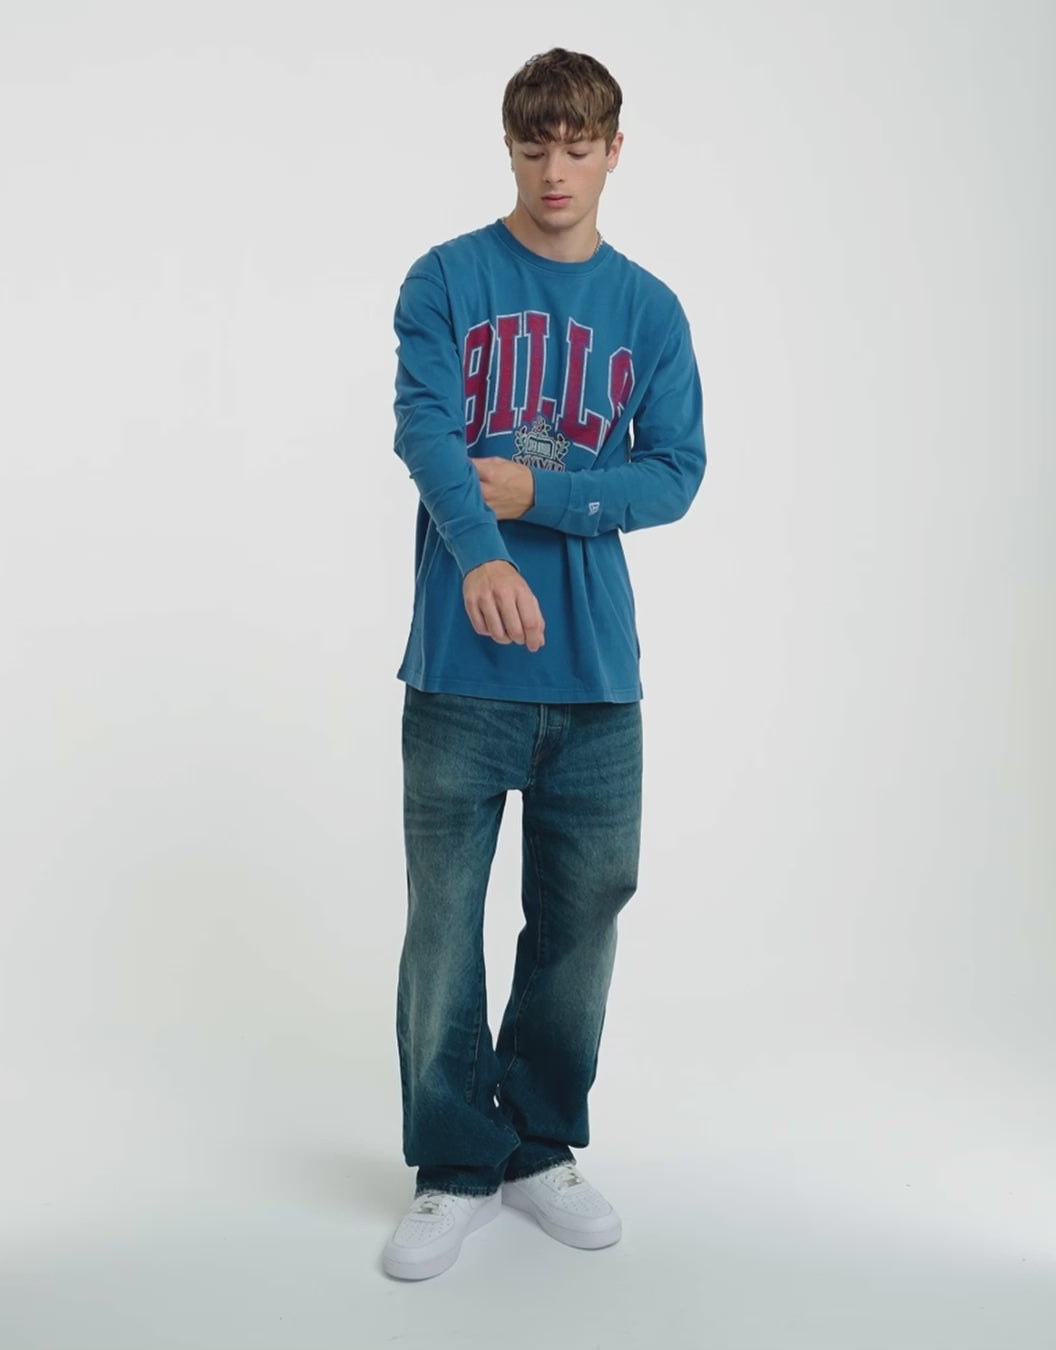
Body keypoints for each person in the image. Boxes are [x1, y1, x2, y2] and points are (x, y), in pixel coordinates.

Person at [381, 47, 707, 1281]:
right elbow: (424, 426)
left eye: (578, 146)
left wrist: (544, 495)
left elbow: (675, 472)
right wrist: (479, 548)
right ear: (510, 148)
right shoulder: (447, 279)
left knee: (582, 915)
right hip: (459, 671)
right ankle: (453, 1163)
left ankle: (537, 1146)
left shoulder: (649, 311)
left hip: (596, 676)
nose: (555, 170)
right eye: (533, 146)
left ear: (615, 151)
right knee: (444, 924)